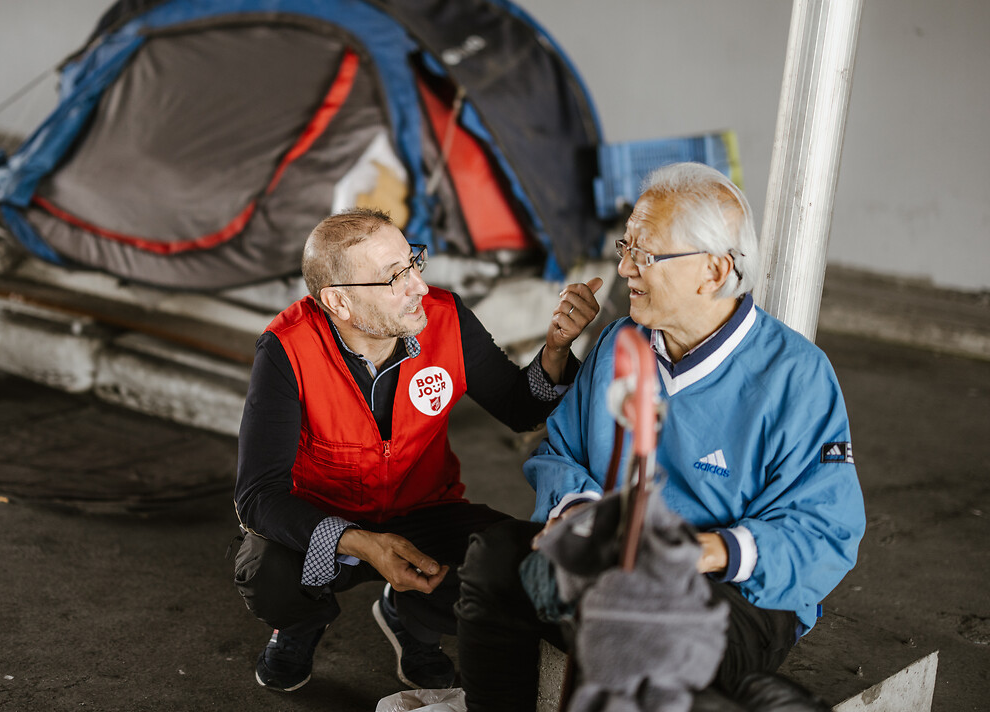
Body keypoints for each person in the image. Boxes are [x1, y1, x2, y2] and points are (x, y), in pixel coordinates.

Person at [455, 162, 866, 710]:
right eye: (626, 246)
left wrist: (703, 551)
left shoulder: (797, 376)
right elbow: (562, 450)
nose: (624, 266)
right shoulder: (620, 342)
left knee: (647, 636)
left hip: (732, 590)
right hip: (616, 561)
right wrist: (579, 511)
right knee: (492, 560)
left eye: (646, 255)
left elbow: (825, 532)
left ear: (714, 272)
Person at [233, 208, 603, 692]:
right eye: (394, 277)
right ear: (339, 302)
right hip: (326, 518)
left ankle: (413, 622)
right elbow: (258, 496)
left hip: (425, 509)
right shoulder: (287, 349)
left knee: (518, 563)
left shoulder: (446, 318)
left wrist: (556, 348)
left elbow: (519, 409)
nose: (419, 287)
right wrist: (363, 542)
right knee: (266, 572)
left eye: (413, 263)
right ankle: (300, 626)